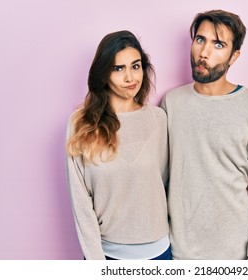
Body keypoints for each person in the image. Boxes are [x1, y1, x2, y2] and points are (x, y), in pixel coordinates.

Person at [161, 10, 248, 259]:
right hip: (180, 254)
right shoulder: (172, 103)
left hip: (236, 256)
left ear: (234, 56)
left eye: (218, 44)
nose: (204, 53)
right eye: (200, 40)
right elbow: (160, 179)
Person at [66, 30, 170, 260]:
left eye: (135, 66)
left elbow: (164, 183)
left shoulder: (158, 119)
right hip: (107, 255)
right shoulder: (81, 123)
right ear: (104, 73)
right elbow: (81, 204)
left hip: (160, 253)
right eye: (118, 68)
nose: (130, 78)